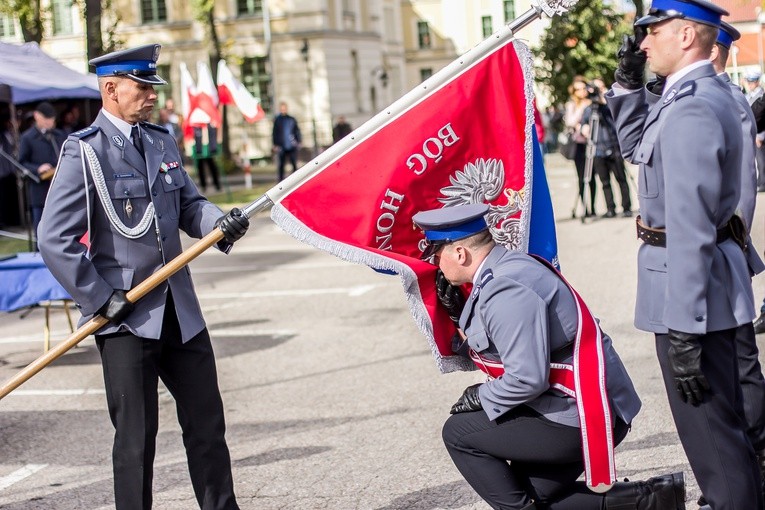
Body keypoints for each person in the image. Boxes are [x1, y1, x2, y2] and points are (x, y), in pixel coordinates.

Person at [37, 44, 248, 510]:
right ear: (110, 89)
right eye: (143, 86)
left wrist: (217, 222)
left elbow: (188, 204)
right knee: (136, 441)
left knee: (208, 427)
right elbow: (54, 238)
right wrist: (98, 297)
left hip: (180, 310)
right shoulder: (84, 152)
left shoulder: (160, 140)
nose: (152, 95)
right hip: (126, 315)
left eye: (153, 86)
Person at [411, 203, 684, 510]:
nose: (435, 262)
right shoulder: (507, 266)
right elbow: (501, 348)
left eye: (437, 253)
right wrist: (459, 316)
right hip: (583, 398)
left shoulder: (504, 289)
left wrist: (480, 396)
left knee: (458, 433)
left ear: (460, 253)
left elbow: (527, 379)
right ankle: (654, 499)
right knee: (531, 494)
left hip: (584, 409)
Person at [606, 2, 764, 508]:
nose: (644, 44)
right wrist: (629, 85)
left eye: (653, 33)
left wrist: (684, 329)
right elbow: (638, 148)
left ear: (688, 35)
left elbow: (693, 229)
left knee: (715, 445)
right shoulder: (683, 97)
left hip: (689, 290)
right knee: (723, 437)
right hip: (689, 284)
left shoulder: (694, 104)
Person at [580, 80, 632, 218]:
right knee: (605, 182)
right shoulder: (588, 110)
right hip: (597, 150)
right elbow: (584, 125)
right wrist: (584, 129)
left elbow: (617, 122)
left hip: (613, 147)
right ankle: (610, 208)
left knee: (621, 179)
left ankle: (626, 207)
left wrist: (604, 99)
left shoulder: (609, 107)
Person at [18, 101, 66, 244]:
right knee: (41, 228)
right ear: (37, 116)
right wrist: (38, 168)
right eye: (47, 119)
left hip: (58, 187)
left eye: (52, 119)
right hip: (39, 189)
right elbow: (21, 163)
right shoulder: (27, 137)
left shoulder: (59, 135)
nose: (50, 122)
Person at [563, 76, 596, 218]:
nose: (582, 92)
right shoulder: (572, 105)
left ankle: (593, 207)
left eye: (583, 88)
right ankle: (585, 207)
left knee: (592, 177)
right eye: (578, 90)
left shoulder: (592, 103)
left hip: (591, 143)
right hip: (578, 145)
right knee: (582, 177)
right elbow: (570, 122)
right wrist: (581, 107)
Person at [271, 101, 301, 181]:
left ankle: (296, 179)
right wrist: (275, 144)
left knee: (294, 163)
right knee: (281, 165)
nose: (283, 110)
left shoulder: (291, 119)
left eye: (284, 109)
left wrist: (298, 141)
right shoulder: (277, 120)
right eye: (282, 109)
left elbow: (296, 131)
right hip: (281, 146)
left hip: (291, 145)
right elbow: (275, 133)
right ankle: (280, 180)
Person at [193, 124, 222, 192]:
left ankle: (217, 184)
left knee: (212, 166)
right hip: (200, 149)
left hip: (209, 149)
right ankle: (203, 185)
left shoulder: (209, 125)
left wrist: (214, 148)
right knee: (201, 168)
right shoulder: (196, 126)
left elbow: (214, 135)